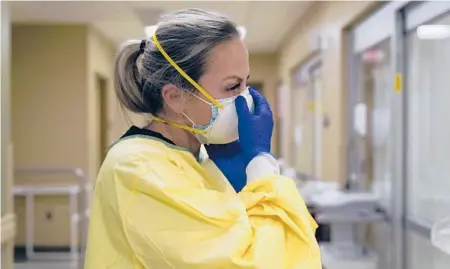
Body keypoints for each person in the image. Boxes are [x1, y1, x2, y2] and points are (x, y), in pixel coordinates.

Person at [84, 8, 321, 269]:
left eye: (246, 83)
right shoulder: (137, 168)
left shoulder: (200, 157)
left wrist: (246, 188)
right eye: (232, 86)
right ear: (175, 96)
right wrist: (262, 168)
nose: (246, 98)